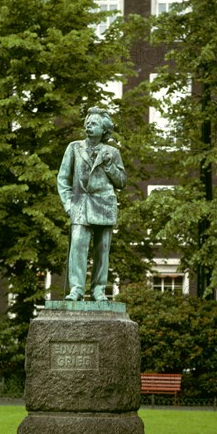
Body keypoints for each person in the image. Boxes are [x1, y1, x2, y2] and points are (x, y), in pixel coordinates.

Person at [57, 107, 127, 301]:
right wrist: (68, 204)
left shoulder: (112, 152)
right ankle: (77, 289)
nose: (89, 126)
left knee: (102, 249)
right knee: (78, 245)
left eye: (94, 123)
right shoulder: (74, 147)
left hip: (104, 205)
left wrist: (108, 165)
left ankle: (98, 290)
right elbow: (63, 179)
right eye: (87, 123)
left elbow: (121, 181)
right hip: (80, 205)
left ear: (104, 130)